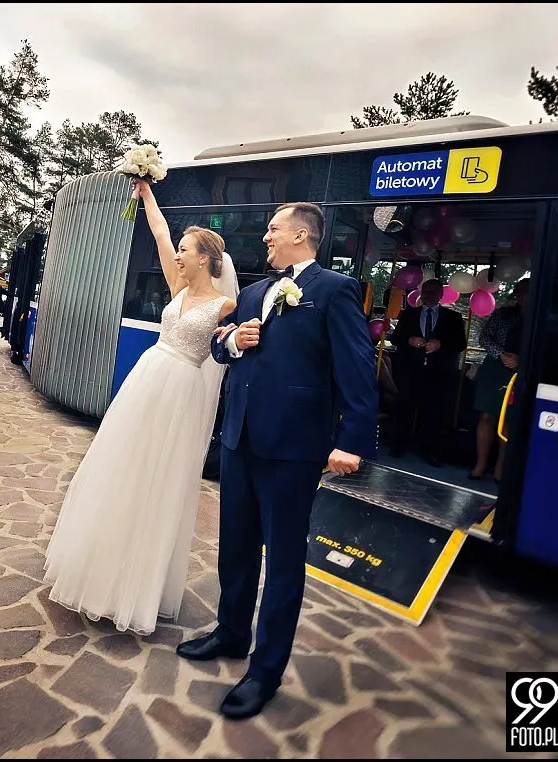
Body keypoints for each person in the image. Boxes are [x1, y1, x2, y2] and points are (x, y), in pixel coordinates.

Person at [179, 201, 378, 720]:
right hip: (239, 439)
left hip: (294, 448)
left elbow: (357, 368)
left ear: (301, 236)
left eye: (273, 229)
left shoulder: (335, 290)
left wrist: (352, 440)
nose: (265, 237)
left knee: (284, 562)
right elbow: (220, 348)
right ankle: (230, 633)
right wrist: (233, 342)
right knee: (235, 547)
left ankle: (265, 671)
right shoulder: (250, 293)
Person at [43, 178, 238, 638]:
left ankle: (135, 586)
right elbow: (160, 233)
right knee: (121, 467)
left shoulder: (226, 304)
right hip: (146, 383)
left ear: (205, 258)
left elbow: (228, 348)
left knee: (158, 479)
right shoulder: (177, 286)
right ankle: (96, 564)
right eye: (180, 250)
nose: (178, 255)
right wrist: (147, 195)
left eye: (186, 251)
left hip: (181, 392)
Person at [388, 278, 466, 466]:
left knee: (434, 412)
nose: (428, 295)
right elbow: (396, 337)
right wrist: (410, 340)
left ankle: (430, 450)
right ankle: (399, 446)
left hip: (439, 372)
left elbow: (460, 344)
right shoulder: (408, 314)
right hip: (411, 370)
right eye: (426, 292)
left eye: (433, 292)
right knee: (405, 408)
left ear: (440, 295)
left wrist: (441, 344)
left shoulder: (453, 318)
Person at [470, 278, 530, 482]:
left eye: (528, 293)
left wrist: (521, 361)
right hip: (495, 368)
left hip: (520, 371)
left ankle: (500, 466)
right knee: (486, 417)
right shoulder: (502, 314)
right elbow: (484, 338)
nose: (524, 297)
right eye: (522, 292)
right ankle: (480, 464)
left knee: (508, 421)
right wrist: (501, 354)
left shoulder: (540, 318)